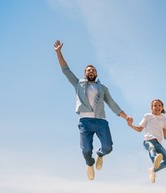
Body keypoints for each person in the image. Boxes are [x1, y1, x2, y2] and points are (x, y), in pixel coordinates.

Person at [54, 40, 132, 180]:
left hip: (101, 121)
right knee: (86, 150)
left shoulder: (102, 88)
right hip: (85, 121)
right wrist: (58, 52)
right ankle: (90, 163)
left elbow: (112, 103)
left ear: (96, 73)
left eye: (93, 70)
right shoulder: (78, 84)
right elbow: (66, 70)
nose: (91, 71)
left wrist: (126, 117)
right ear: (85, 74)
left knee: (108, 148)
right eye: (88, 70)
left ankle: (100, 155)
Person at [127, 99, 166, 183]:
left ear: (162, 107)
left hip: (158, 143)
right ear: (151, 108)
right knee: (152, 149)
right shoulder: (148, 116)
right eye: (155, 105)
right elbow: (139, 129)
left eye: (159, 105)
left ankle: (153, 170)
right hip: (148, 140)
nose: (157, 107)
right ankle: (155, 159)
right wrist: (130, 125)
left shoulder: (164, 120)